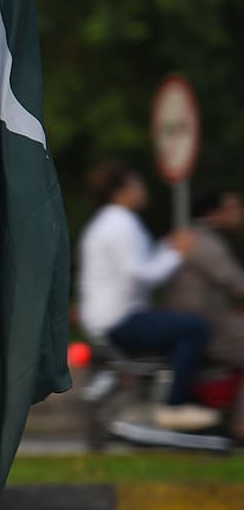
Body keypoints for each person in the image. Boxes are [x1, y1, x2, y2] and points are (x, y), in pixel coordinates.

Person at [76, 163, 217, 431]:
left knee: (182, 325)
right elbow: (144, 273)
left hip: (111, 318)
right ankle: (174, 405)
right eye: (137, 184)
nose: (143, 190)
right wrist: (179, 253)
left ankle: (169, 396)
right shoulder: (121, 223)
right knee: (195, 328)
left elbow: (142, 263)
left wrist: (168, 247)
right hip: (120, 321)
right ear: (121, 191)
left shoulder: (110, 222)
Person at [164, 189, 244, 441]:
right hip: (208, 325)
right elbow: (234, 281)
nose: (239, 213)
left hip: (208, 321)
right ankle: (240, 424)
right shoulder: (204, 242)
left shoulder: (202, 238)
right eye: (233, 207)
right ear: (214, 213)